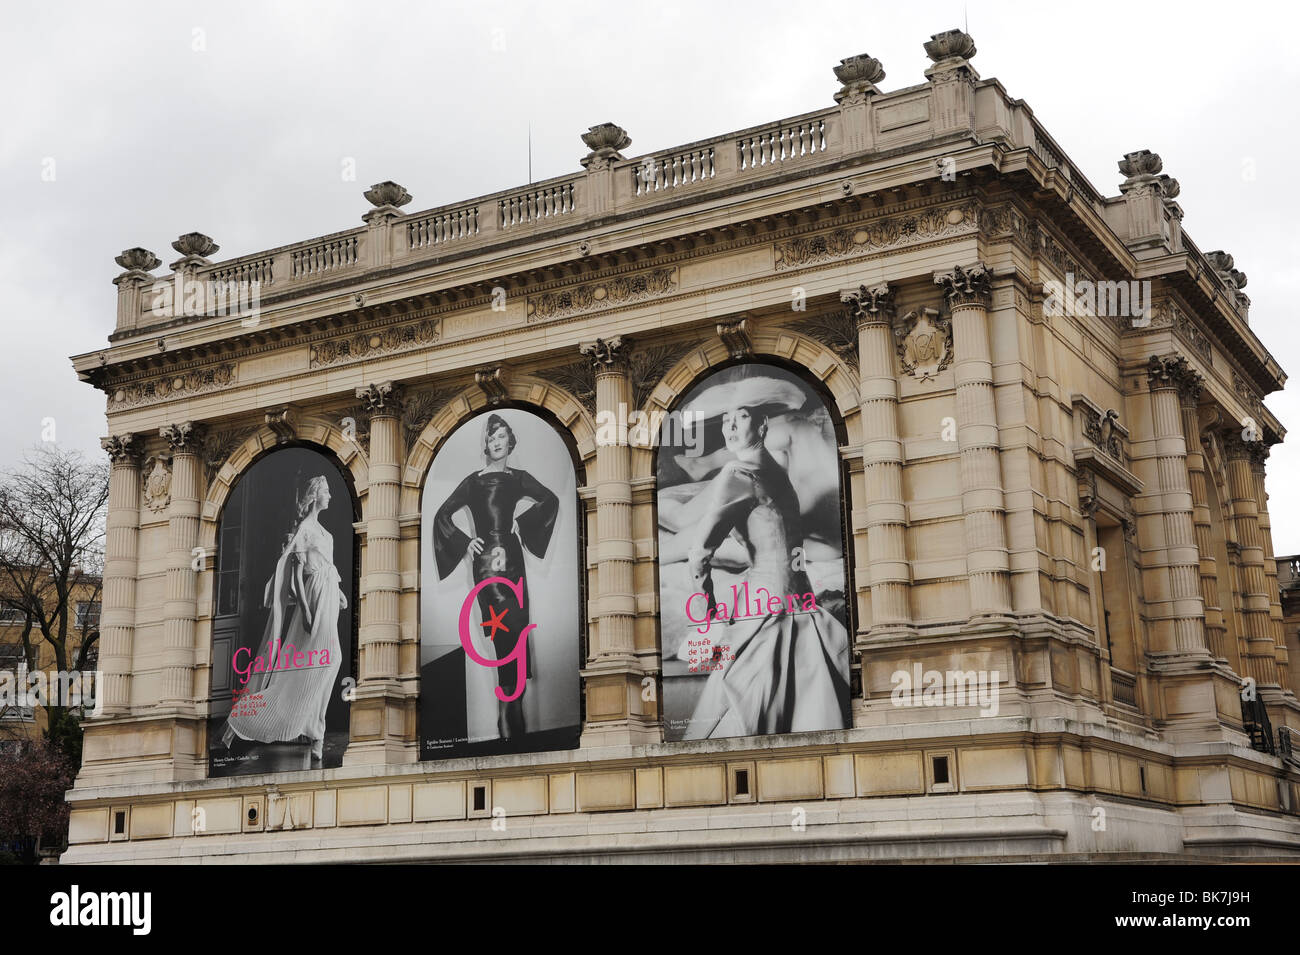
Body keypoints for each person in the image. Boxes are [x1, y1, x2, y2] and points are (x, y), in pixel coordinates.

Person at [675, 374, 850, 739]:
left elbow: (703, 553)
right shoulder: (756, 473)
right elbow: (707, 552)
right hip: (780, 608)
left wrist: (709, 619)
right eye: (725, 420)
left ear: (763, 423)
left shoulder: (752, 473)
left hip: (780, 608)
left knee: (772, 712)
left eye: (740, 417)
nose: (730, 427)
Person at [432, 413, 559, 741]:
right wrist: (464, 542)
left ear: (509, 441)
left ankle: (511, 701)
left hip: (514, 561)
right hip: (487, 564)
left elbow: (550, 499)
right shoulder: (473, 481)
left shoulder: (518, 478)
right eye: (492, 437)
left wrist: (525, 522)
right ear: (486, 445)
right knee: (506, 630)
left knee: (519, 626)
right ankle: (510, 699)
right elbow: (442, 513)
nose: (498, 442)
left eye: (502, 436)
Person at [221, 474, 348, 767]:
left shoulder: (321, 529)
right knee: (326, 660)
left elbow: (327, 566)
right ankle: (309, 729)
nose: (330, 496)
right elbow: (295, 576)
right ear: (316, 496)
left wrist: (338, 592)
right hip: (314, 597)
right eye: (326, 492)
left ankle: (314, 729)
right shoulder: (305, 529)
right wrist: (304, 609)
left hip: (327, 593)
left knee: (325, 662)